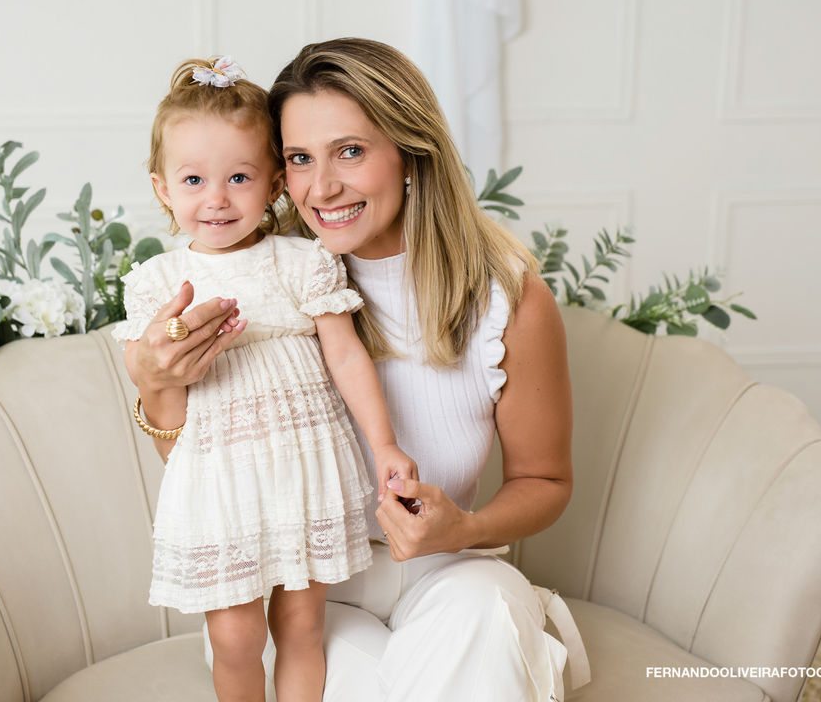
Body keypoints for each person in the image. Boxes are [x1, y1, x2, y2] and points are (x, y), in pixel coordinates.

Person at [129, 39, 587, 702]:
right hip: (292, 579)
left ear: (408, 151)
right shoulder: (265, 279)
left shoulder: (505, 297)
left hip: (441, 569)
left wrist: (465, 527)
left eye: (350, 151)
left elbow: (545, 479)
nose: (323, 187)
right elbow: (196, 458)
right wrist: (154, 381)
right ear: (279, 171)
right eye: (300, 159)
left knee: (484, 615)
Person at [114, 56, 419, 702]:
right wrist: (164, 347)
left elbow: (346, 358)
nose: (216, 198)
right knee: (234, 637)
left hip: (302, 472)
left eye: (239, 177)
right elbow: (149, 374)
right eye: (193, 179)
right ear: (163, 189)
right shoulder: (160, 284)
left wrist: (386, 444)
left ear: (275, 183)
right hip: (220, 484)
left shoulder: (301, 263)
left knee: (303, 623)